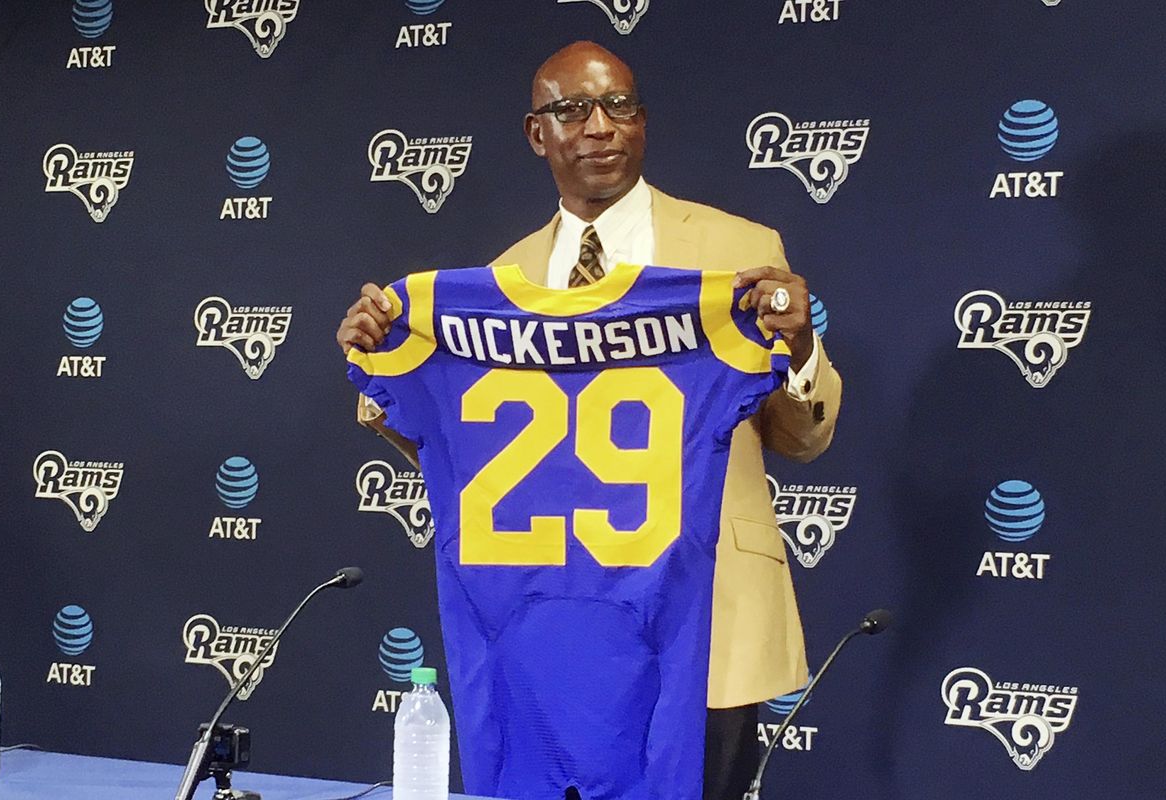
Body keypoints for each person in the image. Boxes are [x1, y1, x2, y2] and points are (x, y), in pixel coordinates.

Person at [337, 41, 842, 800]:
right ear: (538, 134)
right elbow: (484, 463)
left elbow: (803, 437)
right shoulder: (504, 280)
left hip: (703, 618)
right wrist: (386, 373)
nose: (600, 126)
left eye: (620, 106)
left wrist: (799, 348)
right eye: (572, 110)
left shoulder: (739, 252)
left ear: (644, 121)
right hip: (555, 629)